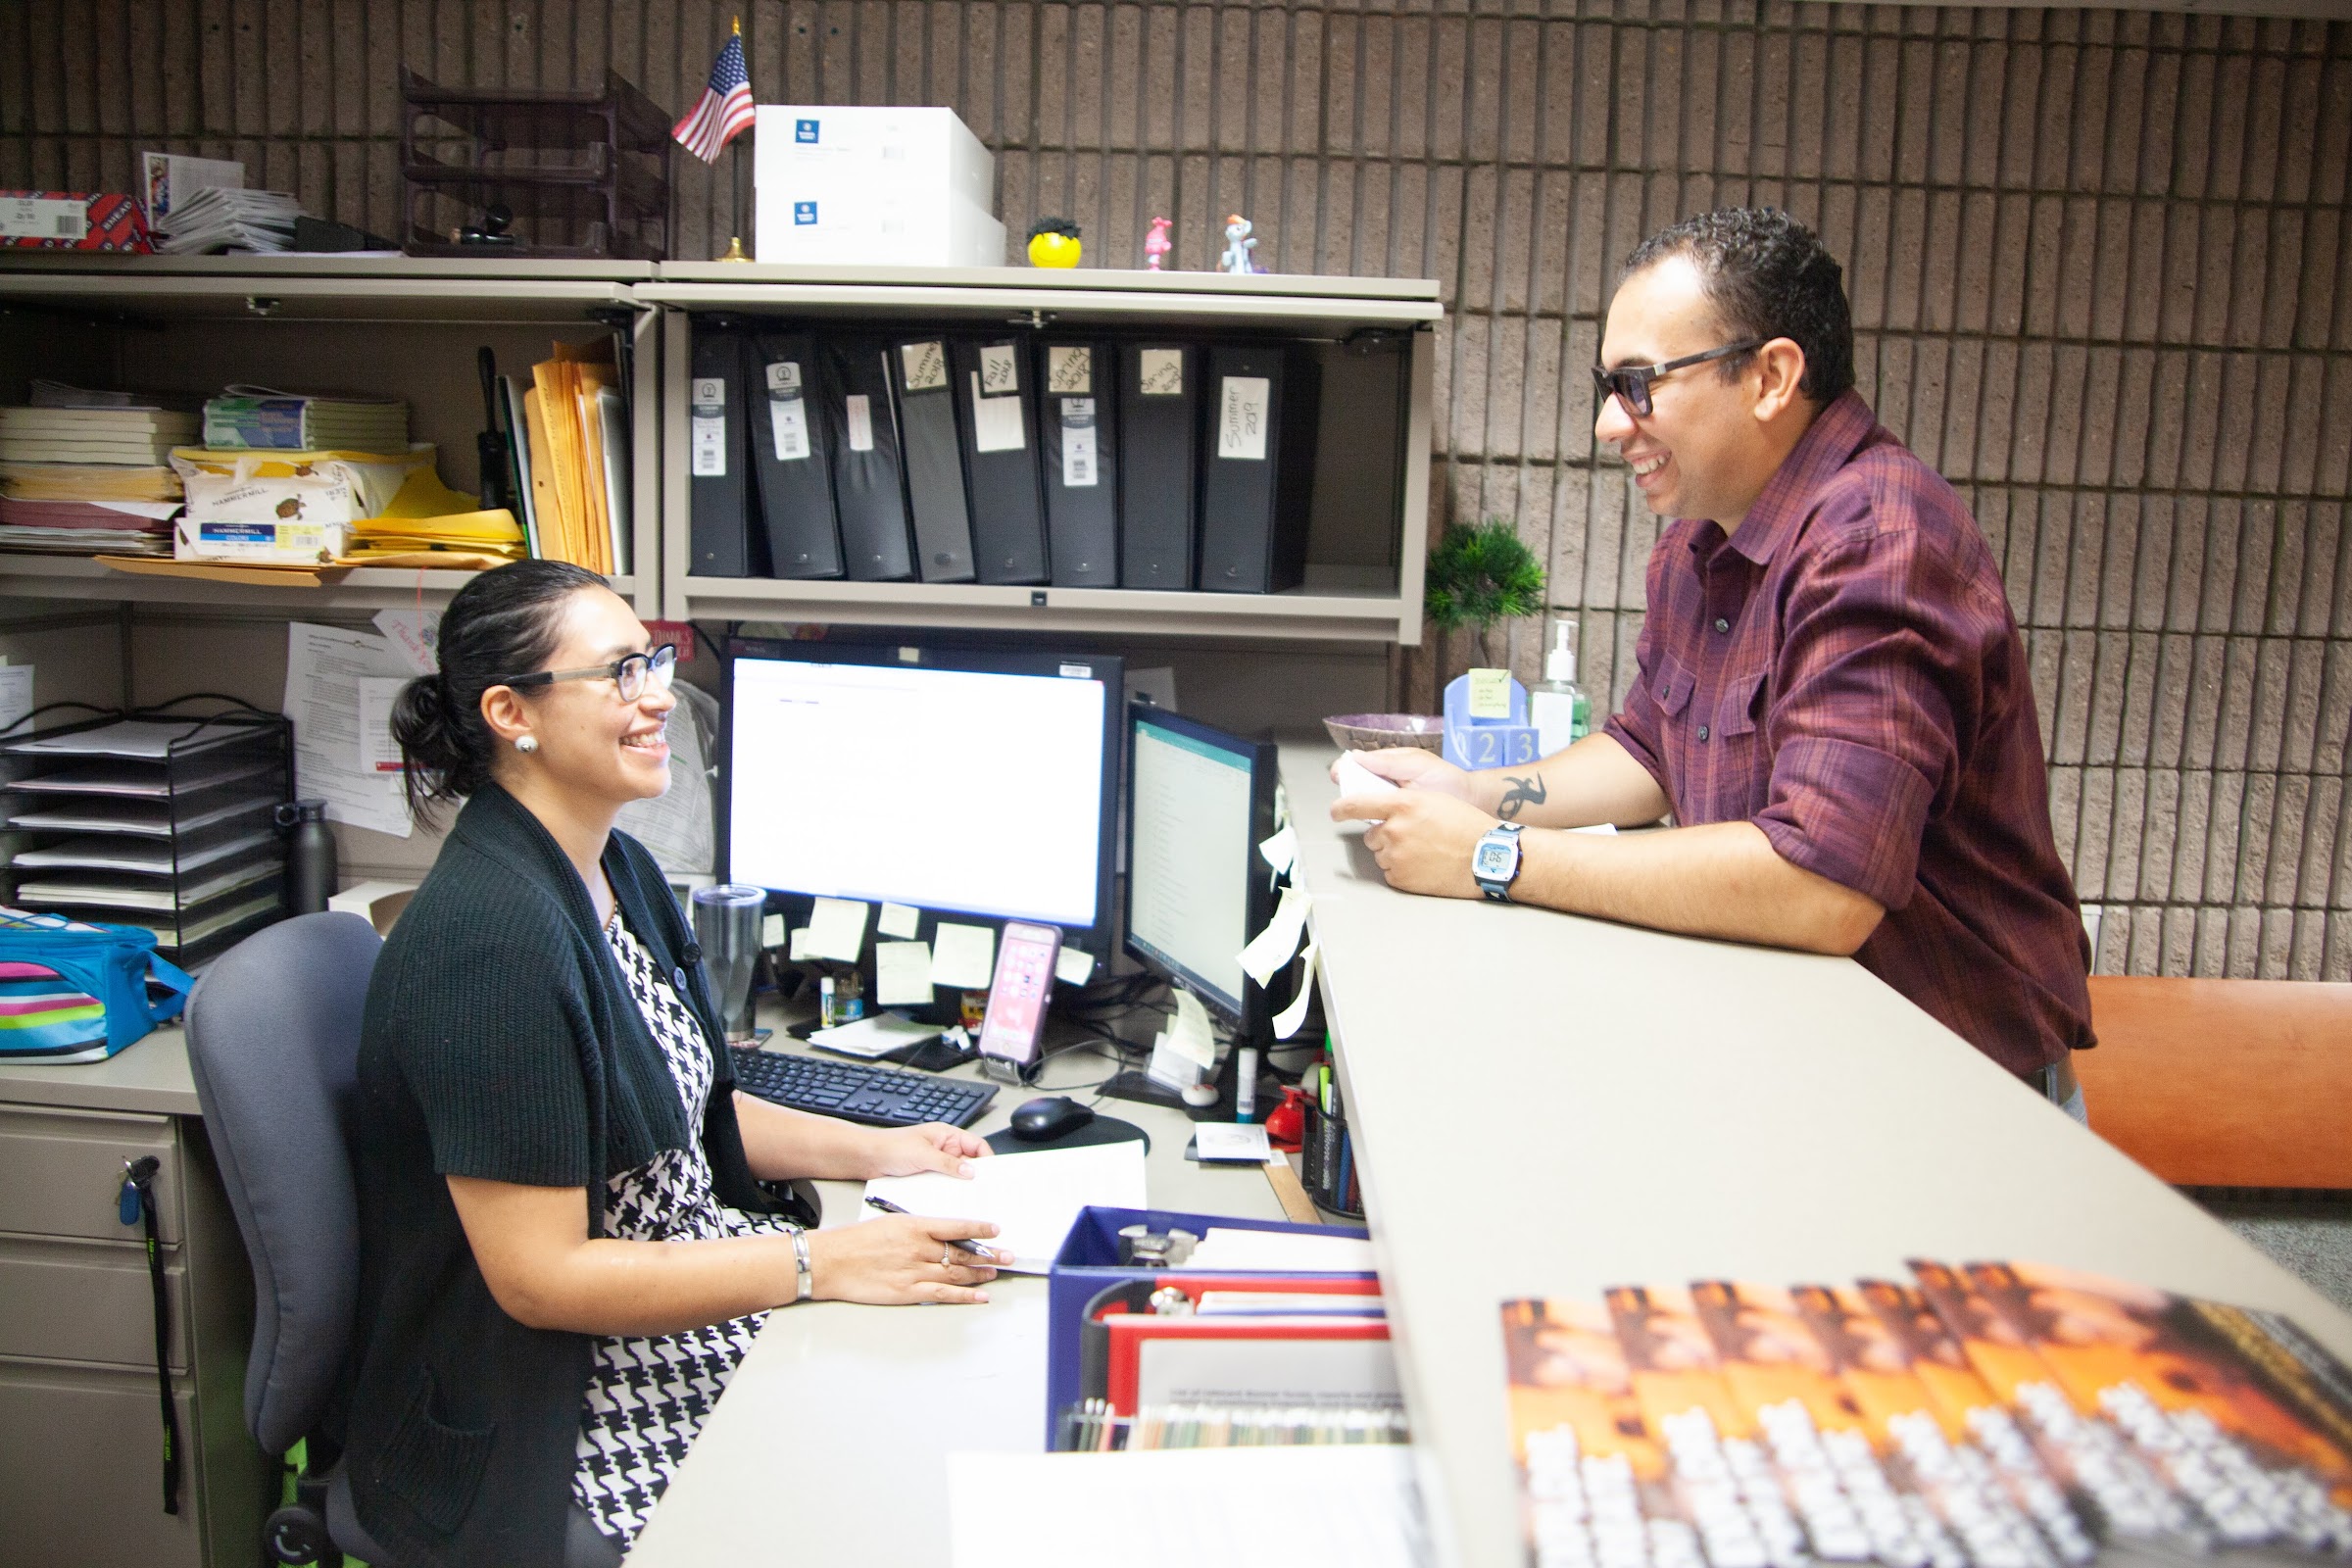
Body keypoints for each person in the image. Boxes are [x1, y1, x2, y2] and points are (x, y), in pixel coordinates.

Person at [1334, 208, 2093, 1114]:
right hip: (1808, 1069)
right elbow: (1648, 750)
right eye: (1607, 385)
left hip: (1951, 1099)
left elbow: (1823, 885)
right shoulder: (1703, 542)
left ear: (1771, 376)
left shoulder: (1878, 538)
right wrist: (1471, 790)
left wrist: (1495, 856)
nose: (1611, 423)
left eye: (1639, 383)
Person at [346, 561, 1003, 1567]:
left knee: (945, 1392)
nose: (657, 693)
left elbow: (692, 1112)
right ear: (510, 711)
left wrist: (879, 1150)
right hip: (562, 1398)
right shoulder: (488, 944)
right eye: (617, 672)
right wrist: (818, 1262)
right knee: (887, 1496)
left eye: (650, 659)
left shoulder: (615, 867)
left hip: (684, 1290)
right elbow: (541, 1279)